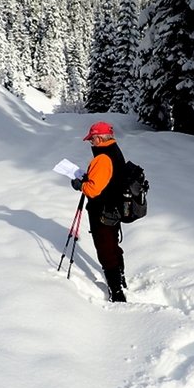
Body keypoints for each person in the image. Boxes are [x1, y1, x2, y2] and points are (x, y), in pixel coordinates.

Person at [71, 121, 127, 302]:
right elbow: (107, 179)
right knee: (112, 245)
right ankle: (121, 279)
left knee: (105, 250)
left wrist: (81, 184)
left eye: (91, 139)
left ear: (99, 137)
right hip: (114, 208)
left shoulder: (102, 158)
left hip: (103, 211)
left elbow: (94, 190)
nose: (91, 143)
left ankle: (116, 292)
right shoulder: (114, 150)